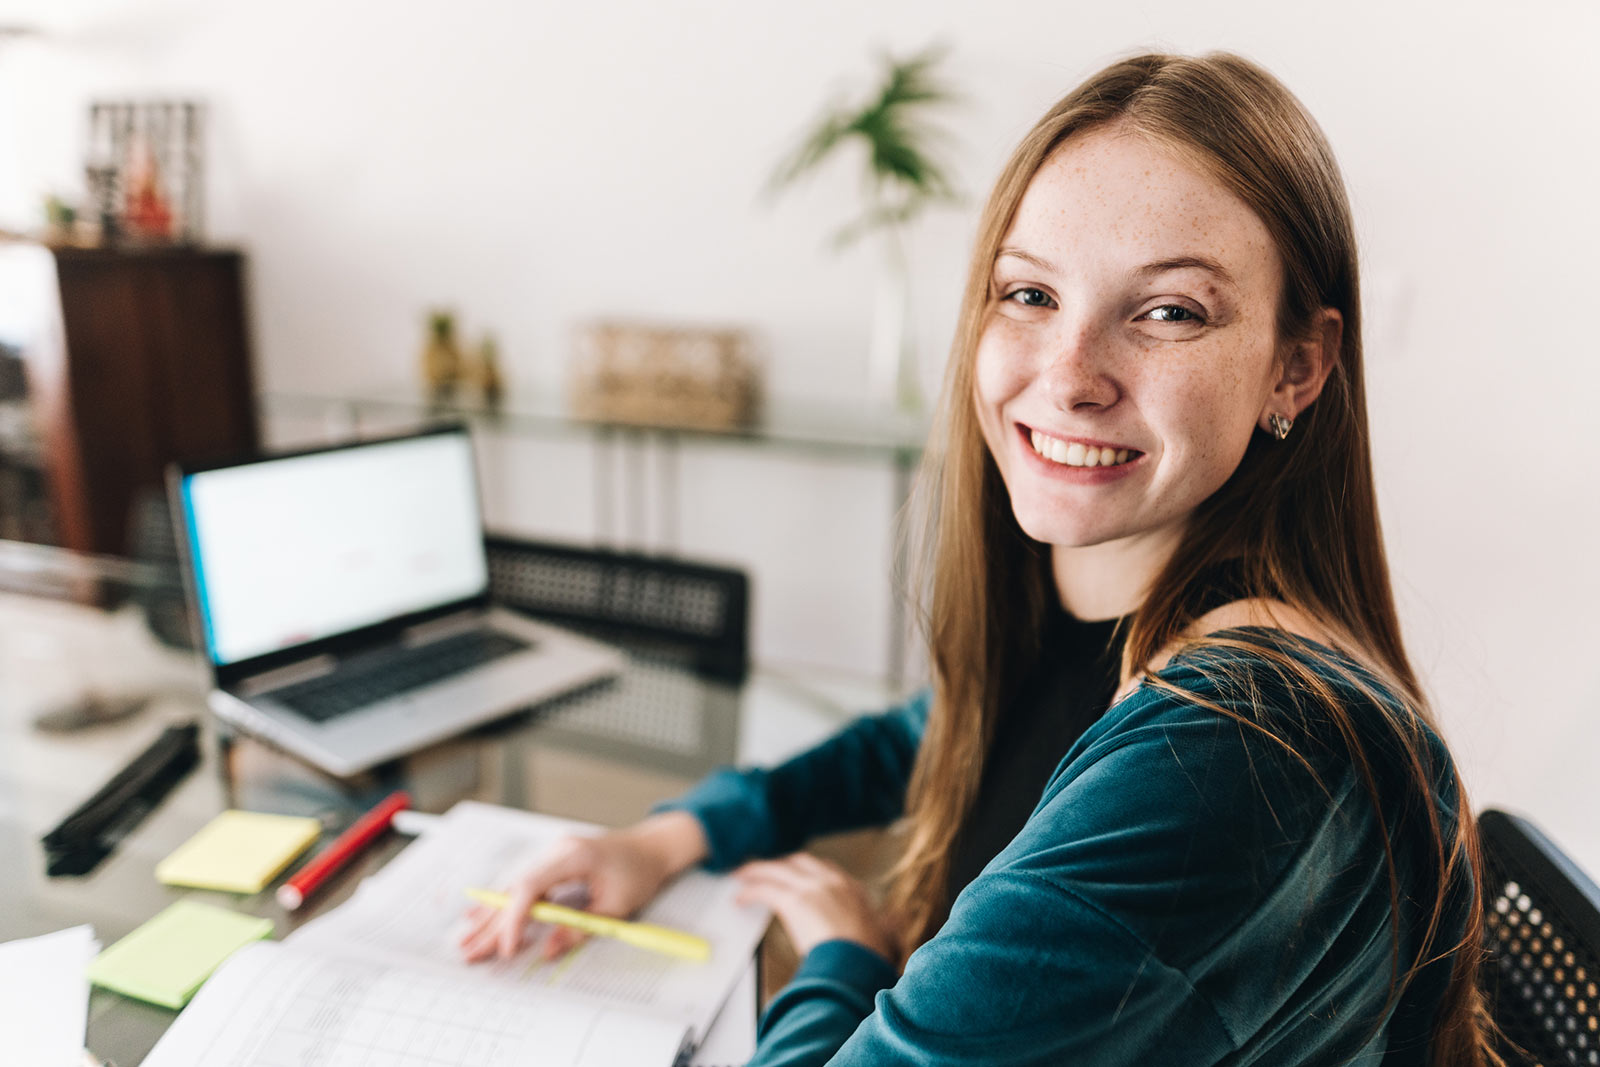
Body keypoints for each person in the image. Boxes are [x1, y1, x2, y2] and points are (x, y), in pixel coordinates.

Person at [459, 51, 1497, 1065]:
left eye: (1169, 311)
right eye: (1029, 295)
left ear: (1295, 366)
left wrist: (841, 959)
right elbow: (934, 730)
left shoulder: (1239, 749)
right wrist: (669, 836)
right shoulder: (1108, 592)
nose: (1069, 374)